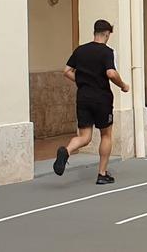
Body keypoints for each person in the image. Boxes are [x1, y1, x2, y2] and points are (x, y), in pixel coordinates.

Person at [53, 19, 130, 184]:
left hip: (83, 97)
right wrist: (123, 85)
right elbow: (111, 73)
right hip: (101, 98)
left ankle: (66, 151)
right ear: (107, 34)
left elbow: (66, 71)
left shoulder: (80, 50)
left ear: (95, 32)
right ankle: (102, 173)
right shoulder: (107, 51)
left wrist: (81, 81)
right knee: (106, 134)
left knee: (85, 136)